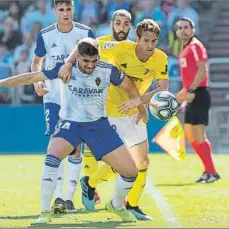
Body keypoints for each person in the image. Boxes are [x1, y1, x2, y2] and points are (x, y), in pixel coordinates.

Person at [0, 38, 144, 223]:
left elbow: (129, 85)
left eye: (93, 61)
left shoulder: (107, 70)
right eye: (85, 61)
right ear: (77, 57)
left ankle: (116, 205)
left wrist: (137, 100)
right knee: (52, 155)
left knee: (131, 172)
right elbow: (32, 77)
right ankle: (44, 212)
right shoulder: (65, 68)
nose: (90, 65)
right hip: (70, 124)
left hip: (99, 126)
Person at [60, 19, 169, 220]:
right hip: (111, 111)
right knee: (121, 163)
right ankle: (91, 183)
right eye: (146, 40)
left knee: (143, 161)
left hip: (135, 112)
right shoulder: (119, 48)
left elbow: (163, 88)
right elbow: (85, 43)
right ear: (137, 39)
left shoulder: (160, 58)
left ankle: (133, 205)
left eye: (154, 41)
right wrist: (68, 63)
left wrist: (139, 103)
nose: (150, 45)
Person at [31, 0, 95, 213]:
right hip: (54, 98)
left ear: (74, 10)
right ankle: (58, 198)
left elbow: (94, 64)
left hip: (79, 99)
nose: (65, 13)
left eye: (69, 9)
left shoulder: (86, 32)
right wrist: (36, 82)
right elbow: (36, 63)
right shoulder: (46, 35)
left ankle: (68, 198)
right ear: (55, 11)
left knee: (76, 149)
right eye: (61, 9)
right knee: (56, 146)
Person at [82, 9, 133, 205]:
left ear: (130, 26)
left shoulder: (133, 48)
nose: (121, 27)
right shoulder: (98, 44)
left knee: (125, 156)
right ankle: (92, 187)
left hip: (124, 109)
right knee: (94, 152)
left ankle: (91, 184)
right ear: (112, 24)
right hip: (98, 106)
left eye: (126, 24)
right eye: (118, 23)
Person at [175, 17, 220, 183]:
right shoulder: (185, 48)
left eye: (186, 27)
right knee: (190, 135)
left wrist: (191, 90)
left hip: (199, 94)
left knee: (199, 136)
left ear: (192, 29)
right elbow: (190, 76)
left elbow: (203, 71)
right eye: (179, 28)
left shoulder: (195, 46)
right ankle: (208, 171)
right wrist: (183, 92)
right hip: (192, 94)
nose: (183, 30)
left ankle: (212, 172)